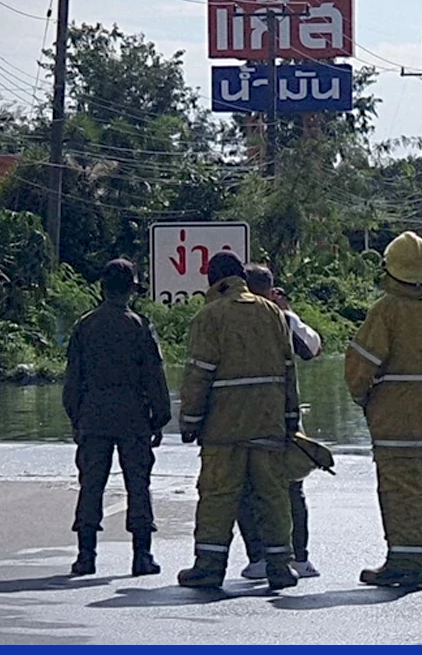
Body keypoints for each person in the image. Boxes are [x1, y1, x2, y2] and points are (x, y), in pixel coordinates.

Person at [176, 252, 303, 590]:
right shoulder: (272, 312)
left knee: (218, 496)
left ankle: (208, 567)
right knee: (273, 496)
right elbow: (289, 371)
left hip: (223, 429)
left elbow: (198, 375)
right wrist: (291, 419)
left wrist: (189, 421)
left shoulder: (209, 316)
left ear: (213, 281)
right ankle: (280, 566)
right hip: (268, 423)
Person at [345, 231, 422, 589]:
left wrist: (365, 400)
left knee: (401, 489)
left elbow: (360, 368)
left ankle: (405, 561)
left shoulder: (386, 311)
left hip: (396, 421)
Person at [63, 258, 172, 578]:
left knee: (91, 484)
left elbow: (73, 378)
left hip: (93, 414)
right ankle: (142, 557)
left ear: (102, 288)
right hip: (133, 416)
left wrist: (75, 418)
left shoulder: (84, 325)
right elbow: (155, 376)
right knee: (138, 484)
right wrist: (160, 417)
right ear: (131, 292)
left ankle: (86, 557)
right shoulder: (139, 326)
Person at [236, 264, 322, 580]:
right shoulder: (282, 318)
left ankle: (258, 557)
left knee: (246, 487)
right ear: (272, 291)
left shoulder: (229, 315)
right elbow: (313, 347)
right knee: (290, 488)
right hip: (282, 415)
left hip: (241, 416)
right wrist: (288, 311)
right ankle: (299, 558)